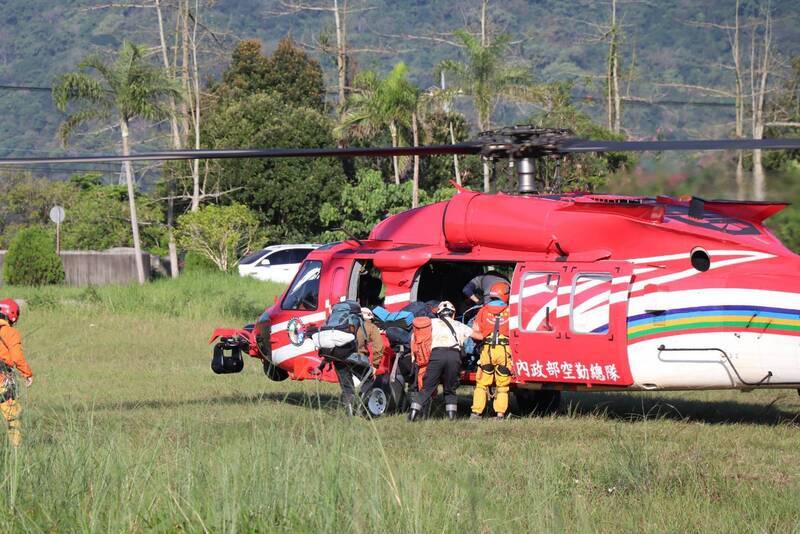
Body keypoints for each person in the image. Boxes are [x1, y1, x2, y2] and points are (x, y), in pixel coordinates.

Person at [408, 301, 471, 421]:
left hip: (436, 355)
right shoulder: (458, 325)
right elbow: (477, 336)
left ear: (438, 314)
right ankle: (451, 419)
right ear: (453, 314)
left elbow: (414, 337)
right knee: (450, 388)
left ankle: (412, 416)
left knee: (427, 388)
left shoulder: (430, 323)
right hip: (454, 356)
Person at [469, 282, 513, 420]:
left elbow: (475, 330)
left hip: (487, 351)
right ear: (505, 295)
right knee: (503, 385)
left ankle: (476, 413)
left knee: (482, 383)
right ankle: (500, 414)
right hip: (504, 351)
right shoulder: (511, 311)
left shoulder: (483, 310)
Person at [333, 307, 384, 415]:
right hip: (357, 359)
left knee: (347, 387)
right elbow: (379, 346)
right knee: (368, 381)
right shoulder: (371, 326)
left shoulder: (344, 324)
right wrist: (375, 364)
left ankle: (349, 411)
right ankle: (363, 409)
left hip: (339, 358)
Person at [0, 299, 33, 447]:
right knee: (13, 417)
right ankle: (16, 451)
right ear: (12, 315)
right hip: (3, 380)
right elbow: (17, 357)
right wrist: (27, 373)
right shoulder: (10, 332)